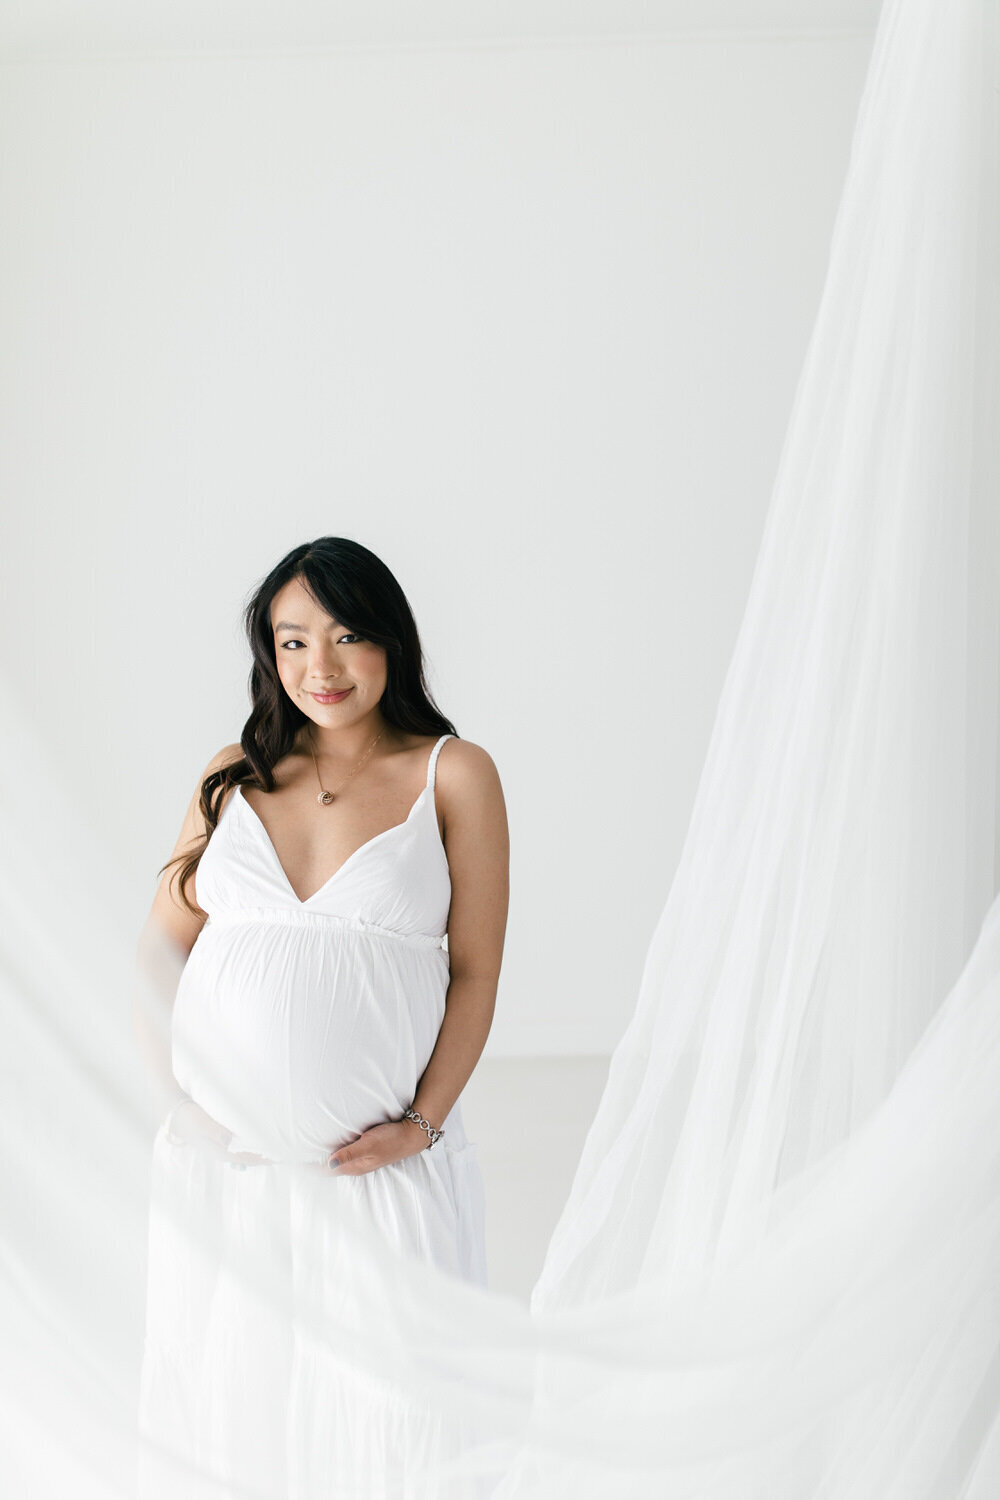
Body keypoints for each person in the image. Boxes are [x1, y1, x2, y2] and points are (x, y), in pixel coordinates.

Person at [134, 535, 509, 1499]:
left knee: (395, 1429)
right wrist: (178, 1103)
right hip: (231, 1178)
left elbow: (474, 972)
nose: (321, 668)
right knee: (232, 1423)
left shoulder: (454, 773)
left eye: (346, 636)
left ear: (392, 640)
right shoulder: (235, 772)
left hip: (376, 1181)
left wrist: (420, 1127)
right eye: (292, 641)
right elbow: (160, 945)